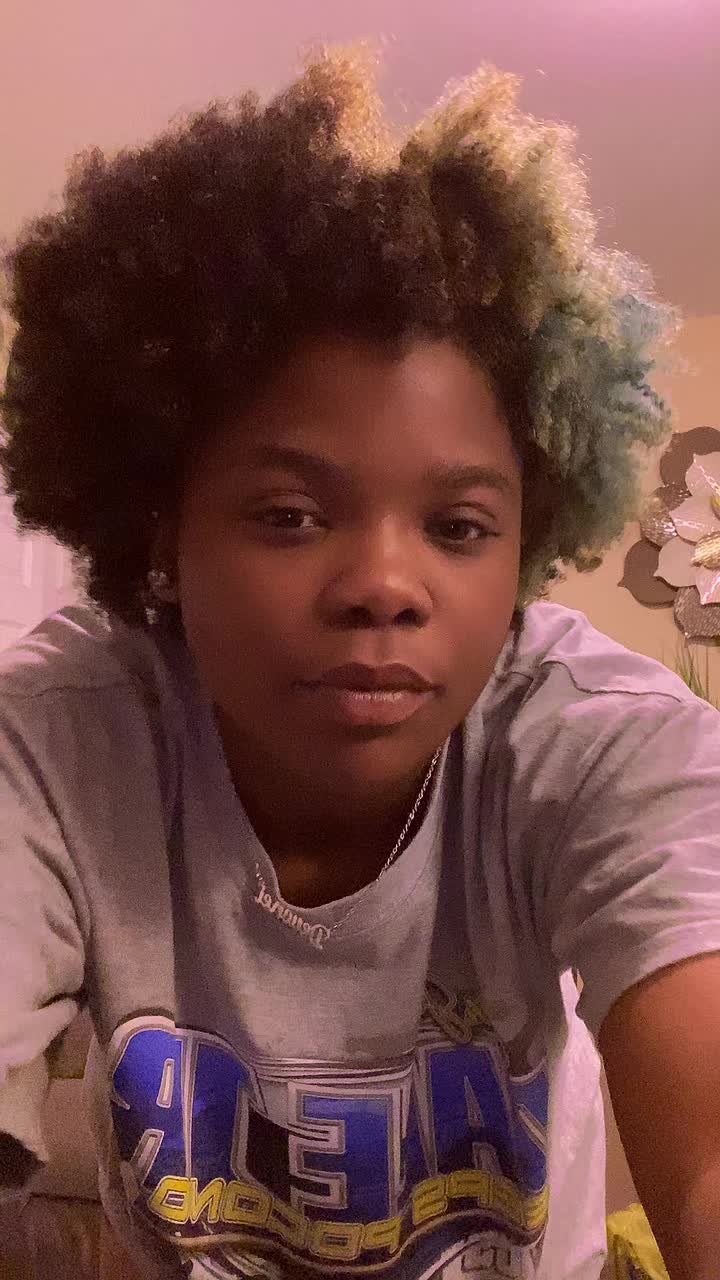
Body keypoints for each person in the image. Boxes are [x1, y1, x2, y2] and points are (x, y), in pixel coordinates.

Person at [1, 45, 719, 1280]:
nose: (387, 582)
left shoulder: (603, 736)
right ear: (162, 530)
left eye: (460, 526)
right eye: (289, 513)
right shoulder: (62, 741)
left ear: (531, 545)